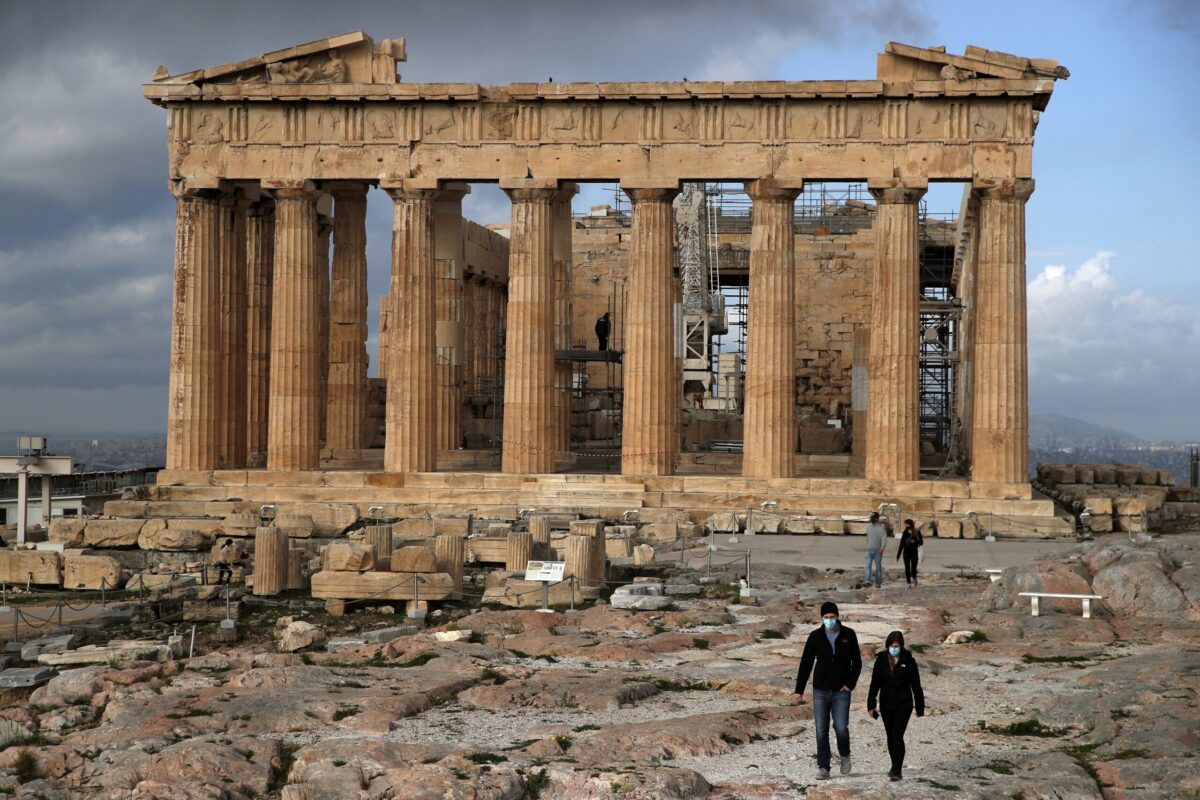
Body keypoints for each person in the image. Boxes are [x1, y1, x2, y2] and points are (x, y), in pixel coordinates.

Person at [793, 601, 863, 780]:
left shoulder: (849, 634)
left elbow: (857, 662)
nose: (829, 620)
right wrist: (799, 690)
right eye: (826, 618)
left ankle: (845, 754)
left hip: (841, 691)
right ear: (821, 618)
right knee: (821, 730)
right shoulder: (815, 636)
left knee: (840, 727)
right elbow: (806, 664)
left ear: (837, 616)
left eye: (832, 617)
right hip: (821, 691)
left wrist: (850, 684)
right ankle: (824, 767)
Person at [867, 630, 925, 781]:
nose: (894, 649)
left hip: (903, 705)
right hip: (886, 704)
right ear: (887, 646)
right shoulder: (880, 660)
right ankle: (894, 766)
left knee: (897, 736)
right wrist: (871, 704)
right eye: (892, 646)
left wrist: (920, 708)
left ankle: (897, 770)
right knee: (890, 736)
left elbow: (916, 686)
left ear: (901, 646)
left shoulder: (909, 661)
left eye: (897, 646)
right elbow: (874, 684)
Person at [896, 519, 923, 586]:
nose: (906, 525)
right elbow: (901, 544)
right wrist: (898, 555)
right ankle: (908, 582)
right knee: (907, 568)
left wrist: (915, 542)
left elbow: (921, 542)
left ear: (910, 524)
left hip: (914, 552)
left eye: (907, 524)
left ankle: (914, 578)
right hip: (906, 553)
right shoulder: (905, 533)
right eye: (905, 524)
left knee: (913, 568)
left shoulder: (917, 532)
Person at [864, 512, 888, 588]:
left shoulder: (881, 528)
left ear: (877, 518)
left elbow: (884, 540)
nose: (872, 519)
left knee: (878, 568)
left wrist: (882, 549)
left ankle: (878, 583)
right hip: (869, 550)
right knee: (868, 566)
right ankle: (867, 580)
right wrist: (867, 546)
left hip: (878, 551)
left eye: (874, 518)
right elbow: (867, 537)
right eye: (872, 518)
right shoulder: (868, 526)